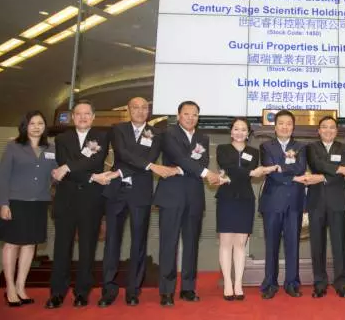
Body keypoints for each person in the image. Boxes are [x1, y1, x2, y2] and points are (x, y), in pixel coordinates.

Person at [98, 97, 179, 308]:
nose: (140, 111)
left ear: (148, 111)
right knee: (111, 242)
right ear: (128, 110)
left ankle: (133, 290)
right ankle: (108, 290)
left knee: (138, 243)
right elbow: (123, 154)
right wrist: (150, 166)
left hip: (140, 193)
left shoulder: (157, 133)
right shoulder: (118, 129)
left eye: (144, 108)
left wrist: (122, 171)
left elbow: (149, 156)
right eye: (136, 107)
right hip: (116, 193)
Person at [153, 100, 224, 307]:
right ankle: (166, 291)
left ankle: (188, 288)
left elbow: (201, 162)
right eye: (186, 114)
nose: (190, 118)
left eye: (194, 115)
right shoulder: (168, 134)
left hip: (194, 196)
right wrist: (203, 172)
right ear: (178, 115)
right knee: (169, 244)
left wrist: (180, 169)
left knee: (191, 243)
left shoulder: (203, 138)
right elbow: (180, 157)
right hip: (171, 196)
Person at [46, 100, 111, 309]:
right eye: (78, 114)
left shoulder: (101, 137)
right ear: (73, 117)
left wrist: (68, 167)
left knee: (87, 248)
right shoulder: (62, 138)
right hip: (66, 199)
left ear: (93, 117)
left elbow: (95, 161)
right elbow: (64, 164)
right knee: (61, 248)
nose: (83, 117)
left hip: (91, 201)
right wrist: (91, 176)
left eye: (87, 114)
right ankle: (57, 293)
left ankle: (82, 292)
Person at [216, 118, 278, 301]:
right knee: (226, 242)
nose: (239, 132)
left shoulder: (253, 152)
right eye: (236, 129)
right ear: (231, 132)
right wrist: (250, 172)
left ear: (248, 133)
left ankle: (238, 284)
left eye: (243, 129)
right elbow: (229, 168)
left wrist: (244, 172)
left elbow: (239, 172)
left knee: (240, 244)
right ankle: (228, 283)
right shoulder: (222, 149)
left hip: (245, 199)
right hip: (226, 198)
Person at [0, 111, 57, 307]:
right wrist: (3, 203)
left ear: (45, 127)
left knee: (30, 244)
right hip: (16, 201)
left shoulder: (51, 148)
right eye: (32, 123)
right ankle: (10, 288)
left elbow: (56, 174)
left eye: (40, 123)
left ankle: (21, 286)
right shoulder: (14, 146)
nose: (36, 127)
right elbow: (3, 176)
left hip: (39, 202)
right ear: (25, 126)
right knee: (12, 244)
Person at [306, 116, 345, 299]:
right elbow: (317, 164)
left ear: (336, 131)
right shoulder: (311, 148)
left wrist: (323, 177)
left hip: (337, 201)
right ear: (318, 131)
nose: (328, 130)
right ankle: (319, 283)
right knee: (317, 245)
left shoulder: (344, 148)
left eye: (332, 127)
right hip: (316, 202)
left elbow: (344, 171)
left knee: (339, 245)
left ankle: (341, 283)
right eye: (324, 127)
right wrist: (339, 169)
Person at [259, 110, 308, 299]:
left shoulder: (301, 147)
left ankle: (292, 283)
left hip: (295, 201)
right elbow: (271, 172)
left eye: (288, 124)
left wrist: (281, 167)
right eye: (281, 123)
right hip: (272, 202)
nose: (285, 127)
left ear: (293, 127)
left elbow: (300, 167)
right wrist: (292, 177)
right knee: (271, 245)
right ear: (275, 126)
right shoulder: (266, 146)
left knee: (293, 244)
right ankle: (270, 284)